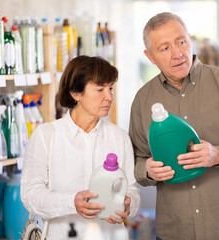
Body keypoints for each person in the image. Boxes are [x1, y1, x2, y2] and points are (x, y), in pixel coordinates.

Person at [129, 12, 219, 240]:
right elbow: (135, 160)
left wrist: (218, 155)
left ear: (190, 39)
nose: (177, 54)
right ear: (150, 56)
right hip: (176, 229)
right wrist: (147, 170)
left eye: (181, 42)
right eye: (164, 48)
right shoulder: (143, 100)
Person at [21, 56, 140, 239]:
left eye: (110, 89)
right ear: (75, 93)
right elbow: (30, 195)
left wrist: (128, 204)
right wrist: (71, 202)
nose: (109, 97)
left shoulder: (119, 137)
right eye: (100, 89)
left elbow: (132, 191)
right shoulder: (46, 136)